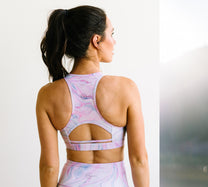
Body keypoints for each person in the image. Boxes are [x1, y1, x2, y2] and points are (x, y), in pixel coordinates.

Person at [37, 5, 149, 187]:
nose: (114, 42)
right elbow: (139, 159)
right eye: (111, 34)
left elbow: (49, 167)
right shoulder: (126, 88)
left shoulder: (47, 95)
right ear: (96, 40)